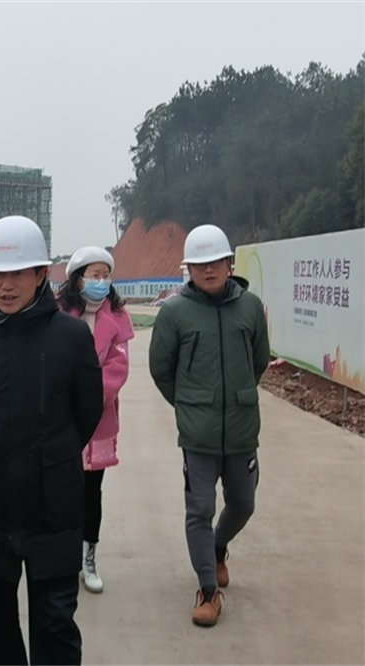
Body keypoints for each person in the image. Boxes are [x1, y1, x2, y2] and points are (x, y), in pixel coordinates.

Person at [0, 216, 104, 666]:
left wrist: (51, 453)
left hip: (55, 508)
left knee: (56, 625)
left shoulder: (71, 337)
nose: (6, 285)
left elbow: (87, 412)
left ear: (40, 275)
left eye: (17, 273)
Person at [149, 224, 269, 628]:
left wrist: (236, 398)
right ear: (189, 269)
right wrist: (190, 405)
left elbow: (258, 360)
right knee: (199, 509)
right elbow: (161, 370)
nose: (208, 270)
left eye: (215, 261)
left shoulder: (250, 307)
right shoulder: (175, 313)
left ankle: (218, 548)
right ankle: (207, 590)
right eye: (199, 264)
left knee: (243, 503)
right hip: (197, 435)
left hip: (241, 428)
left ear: (229, 263)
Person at [57, 246, 134, 594]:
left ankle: (89, 557)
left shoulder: (117, 316)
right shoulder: (59, 313)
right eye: (94, 275)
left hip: (99, 417)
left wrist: (89, 397)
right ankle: (65, 555)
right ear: (78, 279)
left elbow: (118, 366)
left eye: (105, 275)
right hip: (62, 417)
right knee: (62, 489)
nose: (101, 281)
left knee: (92, 491)